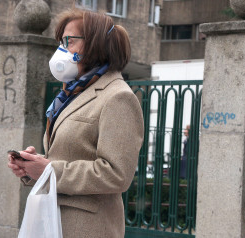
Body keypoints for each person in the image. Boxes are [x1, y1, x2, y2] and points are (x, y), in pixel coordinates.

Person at [8, 8, 144, 238]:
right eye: (61, 41)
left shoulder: (118, 96)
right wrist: (33, 167)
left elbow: (116, 174)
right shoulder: (74, 93)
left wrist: (50, 170)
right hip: (54, 222)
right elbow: (68, 157)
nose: (62, 49)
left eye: (69, 41)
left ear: (95, 44)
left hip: (88, 228)